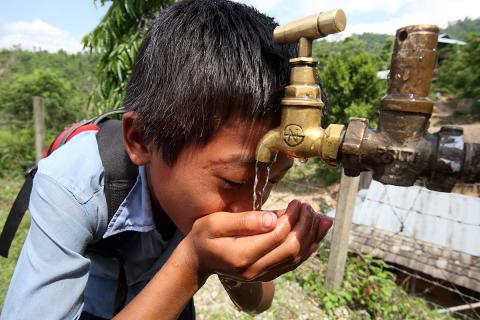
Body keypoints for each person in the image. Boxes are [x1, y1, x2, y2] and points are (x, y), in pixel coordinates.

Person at [1, 0, 333, 319]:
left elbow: (259, 303)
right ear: (142, 139)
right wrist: (193, 263)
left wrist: (234, 264)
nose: (250, 206)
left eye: (271, 181)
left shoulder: (214, 188)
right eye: (232, 181)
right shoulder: (74, 186)